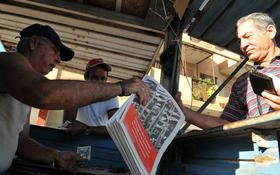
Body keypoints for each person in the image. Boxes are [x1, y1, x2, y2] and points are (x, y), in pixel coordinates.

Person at [0, 24, 150, 173]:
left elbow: (22, 143)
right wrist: (121, 88)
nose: (59, 59)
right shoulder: (9, 60)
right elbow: (44, 93)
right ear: (33, 43)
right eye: (55, 51)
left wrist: (56, 156)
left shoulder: (23, 90)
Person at [176, 12, 280, 130]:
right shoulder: (242, 82)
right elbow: (226, 124)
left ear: (270, 31)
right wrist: (186, 113)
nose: (243, 45)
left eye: (248, 36)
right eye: (240, 41)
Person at [63, 58, 119, 136]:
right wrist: (89, 129)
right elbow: (67, 123)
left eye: (103, 79)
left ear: (106, 80)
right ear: (86, 77)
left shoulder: (111, 96)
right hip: (76, 138)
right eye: (95, 77)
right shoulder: (76, 92)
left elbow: (115, 129)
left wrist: (86, 129)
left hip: (98, 140)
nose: (99, 82)